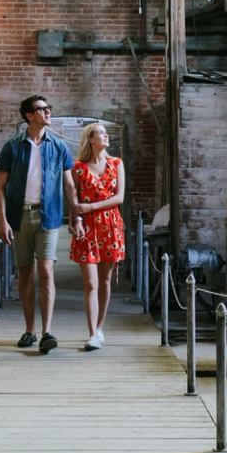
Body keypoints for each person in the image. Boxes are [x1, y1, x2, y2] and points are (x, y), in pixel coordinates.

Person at [0, 94, 72, 354]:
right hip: (20, 216)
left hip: (49, 216)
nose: (48, 112)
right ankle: (29, 329)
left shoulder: (59, 146)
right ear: (29, 115)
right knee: (25, 272)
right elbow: (0, 187)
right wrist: (3, 220)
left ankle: (47, 331)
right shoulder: (13, 147)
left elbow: (69, 184)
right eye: (42, 109)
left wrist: (76, 216)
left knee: (46, 271)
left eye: (49, 108)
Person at [66, 121, 126, 351]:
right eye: (101, 133)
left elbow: (119, 197)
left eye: (106, 132)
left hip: (111, 225)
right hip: (88, 228)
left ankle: (100, 327)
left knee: (106, 280)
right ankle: (92, 333)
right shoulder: (79, 168)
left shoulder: (116, 163)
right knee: (91, 282)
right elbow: (73, 199)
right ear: (90, 139)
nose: (106, 136)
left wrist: (90, 208)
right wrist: (77, 219)